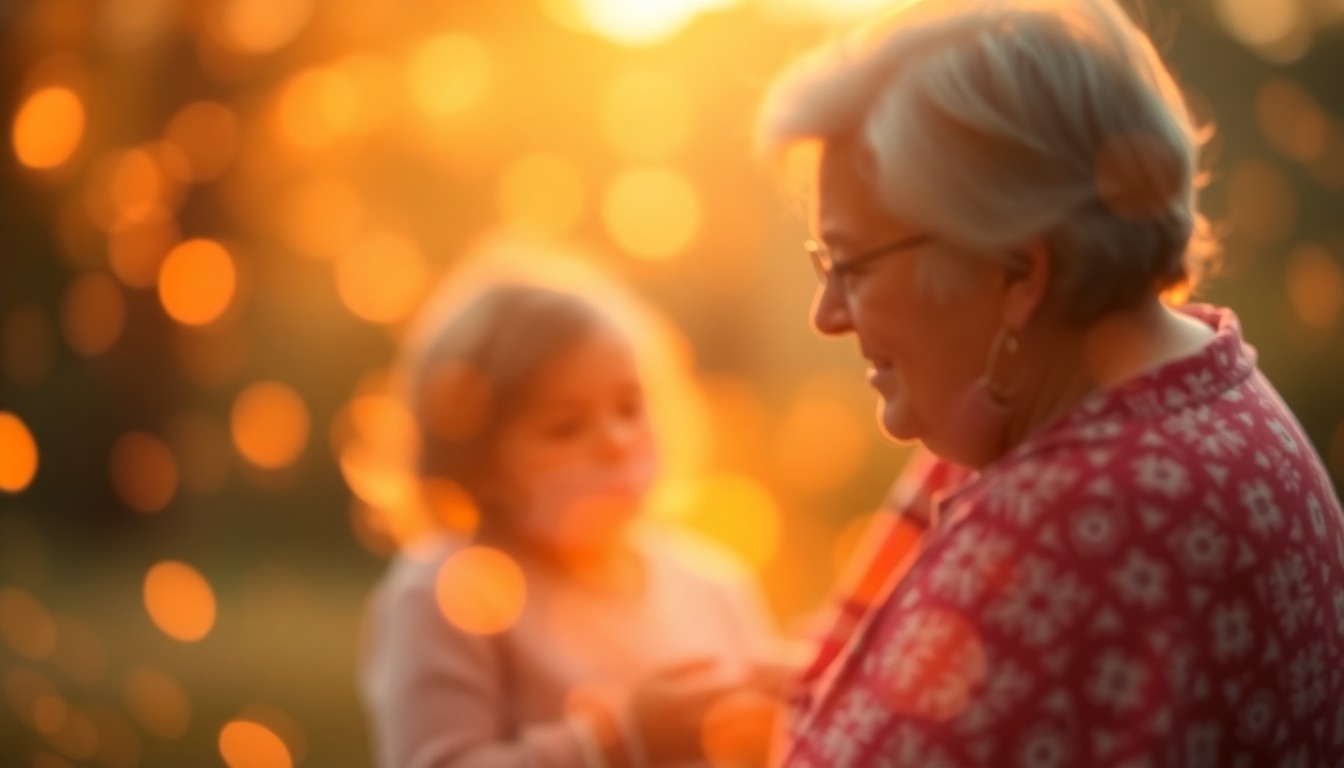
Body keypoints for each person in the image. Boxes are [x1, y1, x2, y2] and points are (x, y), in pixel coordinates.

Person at [754, 0, 1344, 765]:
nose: (827, 314)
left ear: (1017, 273)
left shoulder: (1078, 524)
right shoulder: (1199, 388)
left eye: (853, 265)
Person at [359, 275, 785, 768]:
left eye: (629, 408)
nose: (616, 441)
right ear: (479, 464)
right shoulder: (445, 595)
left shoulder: (714, 587)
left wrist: (792, 714)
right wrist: (618, 742)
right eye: (566, 427)